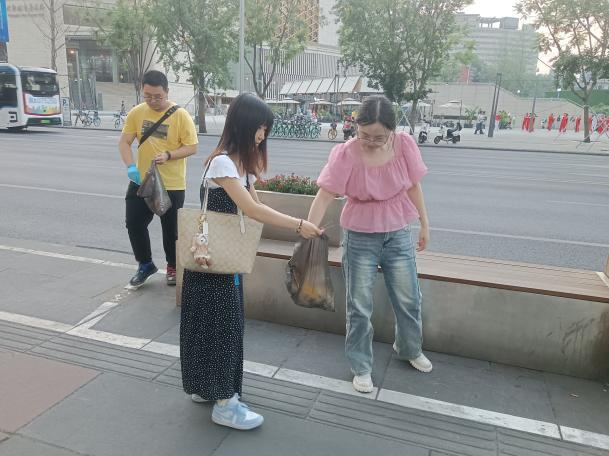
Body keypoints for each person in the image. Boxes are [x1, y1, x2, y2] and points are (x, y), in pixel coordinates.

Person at [180, 93, 322, 430]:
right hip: (214, 262)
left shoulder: (240, 167)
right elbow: (253, 210)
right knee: (222, 327)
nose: (262, 135)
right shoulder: (222, 164)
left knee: (215, 326)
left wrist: (297, 224)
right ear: (243, 125)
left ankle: (208, 386)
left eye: (265, 129)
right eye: (260, 128)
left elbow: (257, 207)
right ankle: (225, 403)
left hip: (221, 260)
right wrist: (299, 225)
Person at [307, 95, 432, 394]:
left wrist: (425, 224)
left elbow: (414, 186)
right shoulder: (346, 154)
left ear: (392, 130)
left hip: (397, 231)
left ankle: (409, 347)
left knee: (409, 297)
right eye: (365, 135)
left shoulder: (404, 145)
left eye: (379, 137)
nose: (371, 142)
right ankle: (361, 366)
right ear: (356, 126)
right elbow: (325, 194)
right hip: (360, 234)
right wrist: (309, 227)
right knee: (359, 304)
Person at [118, 70, 198, 288]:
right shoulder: (137, 113)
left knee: (171, 229)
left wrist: (169, 155)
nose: (152, 101)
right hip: (142, 180)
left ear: (167, 92)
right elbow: (124, 142)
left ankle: (173, 266)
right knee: (134, 223)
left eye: (157, 97)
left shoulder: (180, 115)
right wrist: (130, 166)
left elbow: (192, 147)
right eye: (148, 96)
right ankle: (145, 264)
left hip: (171, 183)